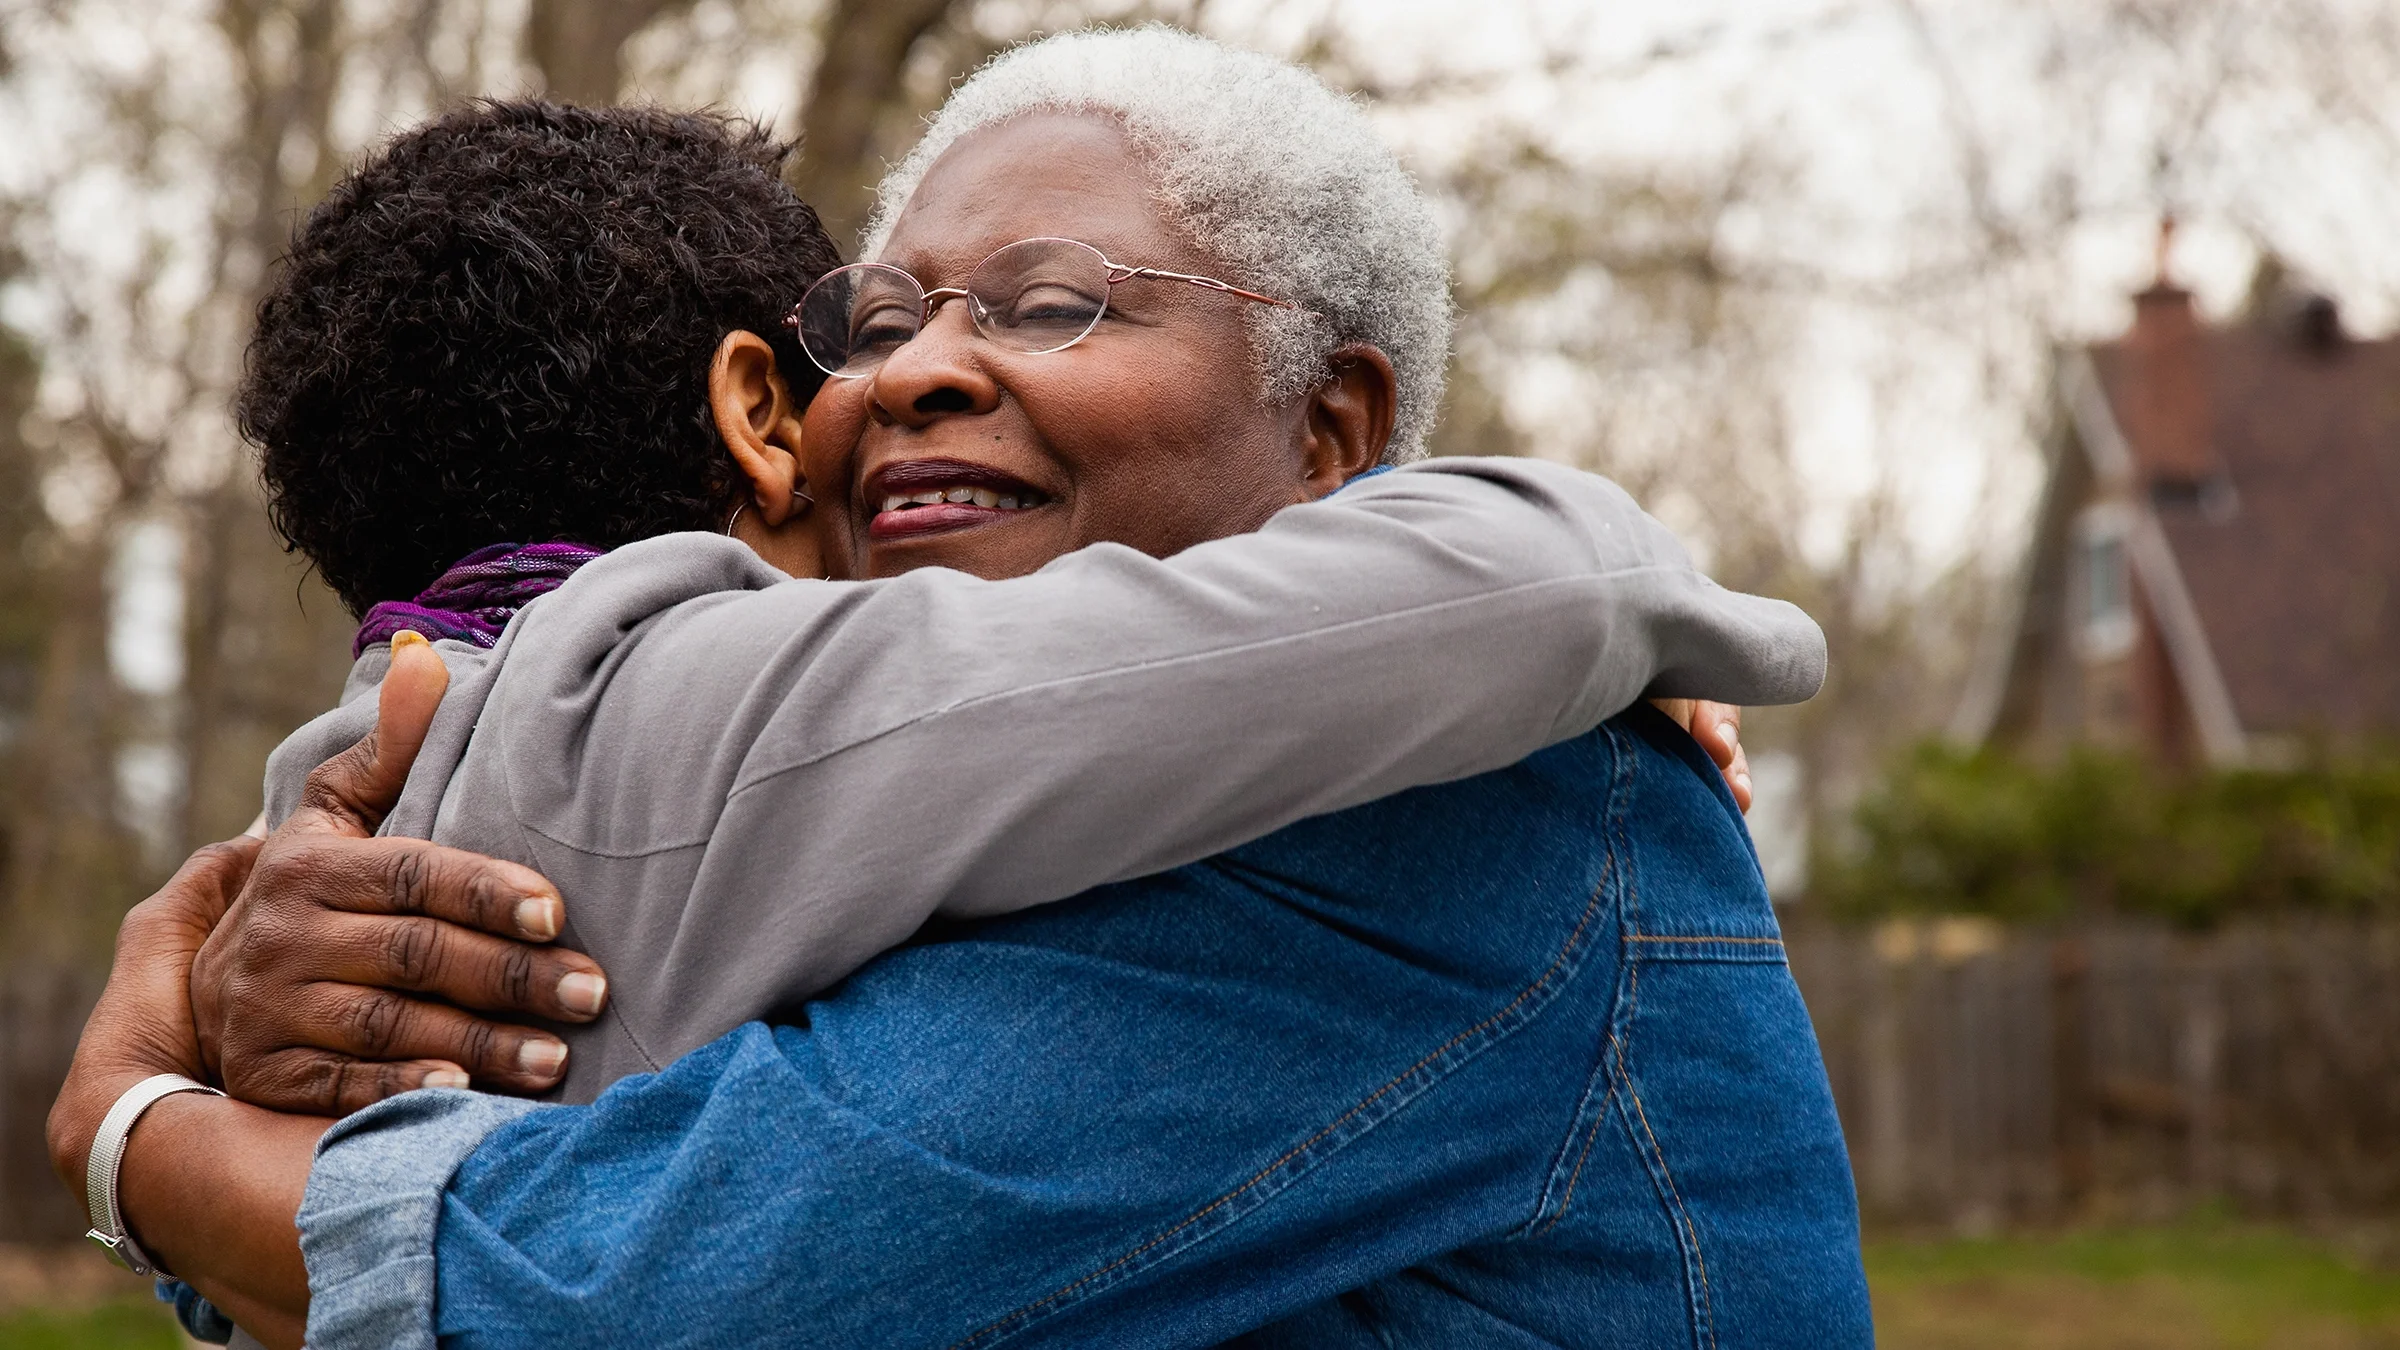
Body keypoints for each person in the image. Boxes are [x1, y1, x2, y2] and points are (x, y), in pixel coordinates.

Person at [53, 27, 1870, 1350]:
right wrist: (266, 977)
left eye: (1051, 303)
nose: (916, 373)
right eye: (886, 318)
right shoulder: (929, 803)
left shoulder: (1467, 799)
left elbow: (632, 1282)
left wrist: (140, 1126)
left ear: (1334, 431)